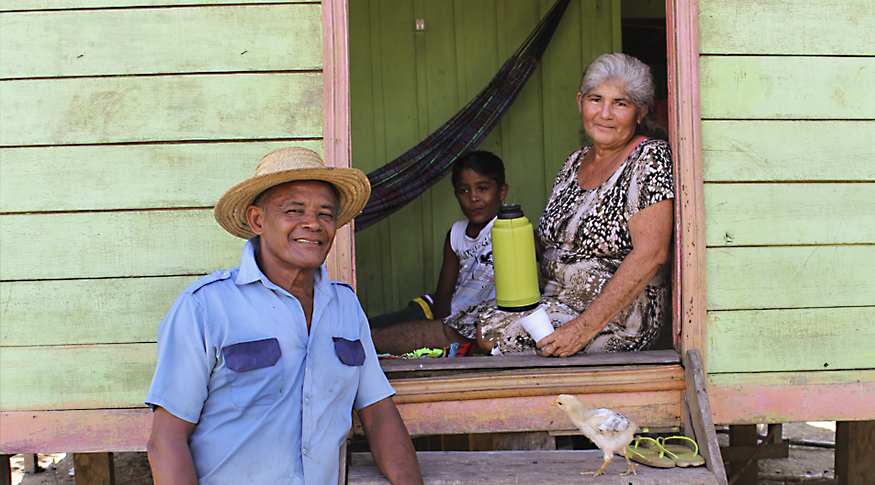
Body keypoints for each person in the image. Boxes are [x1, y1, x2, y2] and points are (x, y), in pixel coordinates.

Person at [145, 147, 424, 485]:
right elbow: (166, 442)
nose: (313, 223)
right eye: (294, 210)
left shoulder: (345, 306)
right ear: (257, 220)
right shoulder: (205, 308)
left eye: (325, 213)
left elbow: (378, 414)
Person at [471, 52, 675, 356]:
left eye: (620, 103)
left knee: (493, 336)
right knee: (472, 318)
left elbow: (652, 254)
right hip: (555, 301)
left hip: (618, 320)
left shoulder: (649, 159)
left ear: (640, 112)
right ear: (581, 101)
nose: (605, 113)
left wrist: (583, 328)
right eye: (596, 99)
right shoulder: (575, 162)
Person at [371, 151, 509, 355]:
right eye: (463, 190)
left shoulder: (511, 229)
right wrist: (442, 326)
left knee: (383, 339)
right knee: (382, 323)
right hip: (444, 311)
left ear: (502, 191)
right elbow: (444, 292)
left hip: (475, 322)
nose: (473, 198)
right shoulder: (455, 234)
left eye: (482, 188)